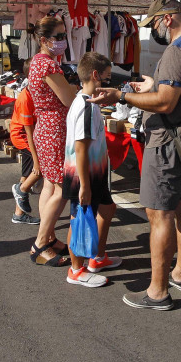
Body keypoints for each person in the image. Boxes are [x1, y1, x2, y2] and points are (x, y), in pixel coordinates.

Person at [91, 0, 181, 311]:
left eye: (155, 23)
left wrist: (122, 94)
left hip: (168, 143)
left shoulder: (177, 50)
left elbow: (165, 103)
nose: (155, 30)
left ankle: (158, 291)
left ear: (168, 18)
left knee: (160, 215)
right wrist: (146, 87)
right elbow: (176, 93)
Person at [62, 52, 119, 288]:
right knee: (79, 219)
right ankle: (76, 269)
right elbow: (81, 148)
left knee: (107, 207)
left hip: (93, 173)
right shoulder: (85, 106)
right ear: (95, 76)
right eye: (106, 79)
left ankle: (97, 258)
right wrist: (84, 185)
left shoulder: (87, 102)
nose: (107, 84)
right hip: (83, 176)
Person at [28, 16, 76, 267]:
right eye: (58, 37)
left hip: (46, 128)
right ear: (44, 40)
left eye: (63, 36)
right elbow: (68, 99)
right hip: (55, 130)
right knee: (60, 189)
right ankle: (39, 242)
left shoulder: (38, 62)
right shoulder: (48, 65)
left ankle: (49, 237)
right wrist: (79, 89)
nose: (63, 41)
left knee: (50, 186)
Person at [10, 72, 42, 226]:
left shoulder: (31, 93)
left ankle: (19, 214)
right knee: (40, 167)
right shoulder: (25, 98)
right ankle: (21, 189)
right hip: (22, 137)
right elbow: (28, 132)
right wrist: (37, 161)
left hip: (27, 136)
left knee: (27, 173)